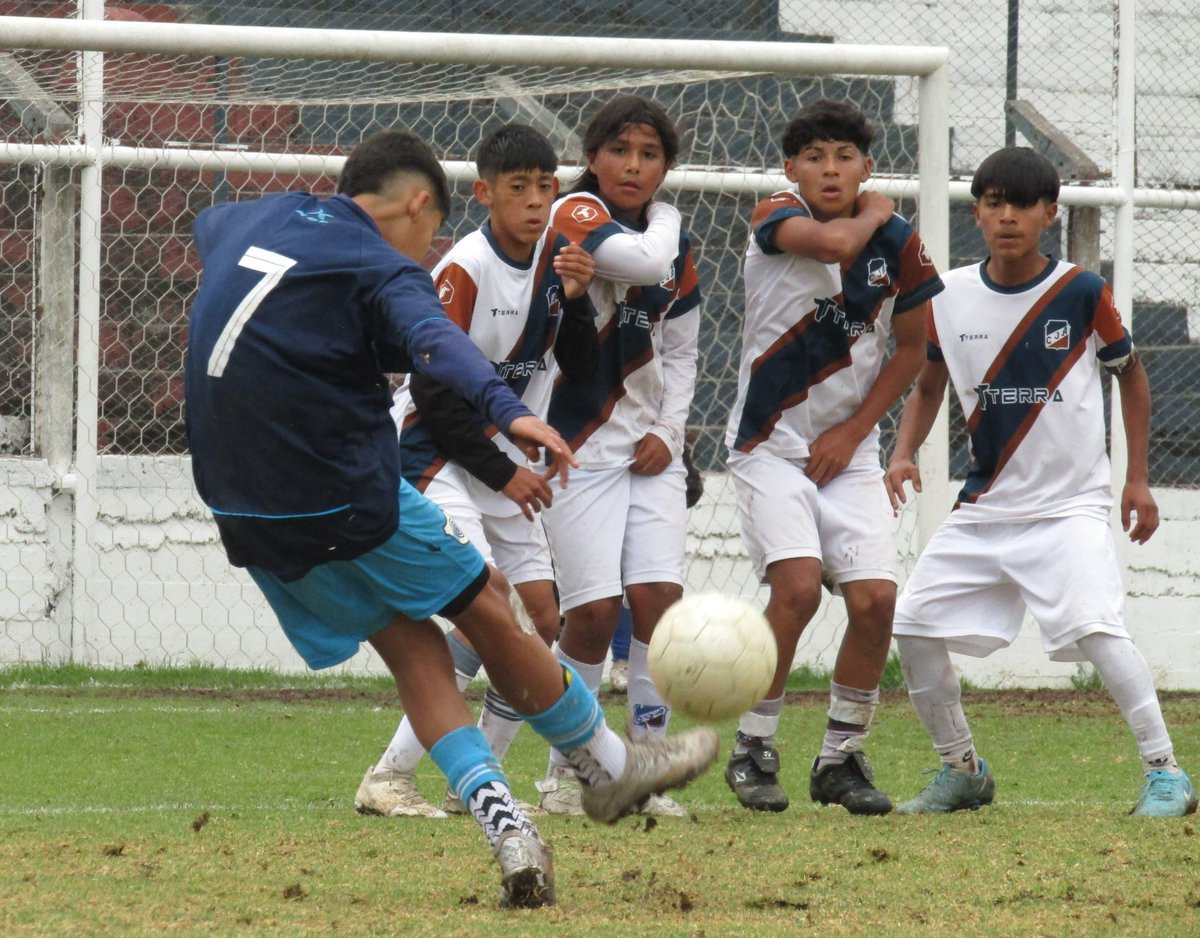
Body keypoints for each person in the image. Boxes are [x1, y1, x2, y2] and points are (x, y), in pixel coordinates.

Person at [183, 128, 719, 909]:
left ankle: (503, 818)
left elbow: (208, 230)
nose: (425, 249)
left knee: (414, 647)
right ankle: (609, 768)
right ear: (417, 204)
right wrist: (509, 413)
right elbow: (437, 342)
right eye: (426, 232)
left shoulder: (247, 221)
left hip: (240, 503)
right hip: (344, 484)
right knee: (491, 604)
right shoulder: (389, 265)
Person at [885, 146, 1197, 818]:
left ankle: (1166, 772)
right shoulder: (949, 296)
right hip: (985, 508)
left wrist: (1136, 479)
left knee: (1097, 626)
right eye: (994, 202)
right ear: (978, 211)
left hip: (1068, 510)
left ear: (1050, 214)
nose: (1007, 216)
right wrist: (904, 451)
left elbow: (1132, 377)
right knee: (910, 624)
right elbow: (930, 382)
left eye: (1023, 204)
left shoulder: (1081, 292)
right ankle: (962, 768)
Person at [355, 123, 600, 820]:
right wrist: (504, 469)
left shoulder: (561, 260)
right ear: (484, 193)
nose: (533, 201)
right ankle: (387, 776)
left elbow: (578, 370)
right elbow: (433, 392)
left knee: (542, 620)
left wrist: (579, 303)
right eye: (516, 187)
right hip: (437, 451)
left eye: (544, 186)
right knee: (485, 604)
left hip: (499, 460)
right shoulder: (463, 267)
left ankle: (479, 783)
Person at [722, 99, 943, 816]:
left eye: (844, 156)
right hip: (768, 445)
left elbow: (912, 348)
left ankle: (839, 758)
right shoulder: (774, 216)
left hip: (846, 453)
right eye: (814, 156)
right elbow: (834, 247)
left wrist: (855, 435)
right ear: (791, 169)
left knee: (878, 600)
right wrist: (875, 215)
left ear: (866, 166)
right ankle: (753, 747)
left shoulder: (901, 240)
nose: (829, 168)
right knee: (798, 589)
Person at [535, 95, 702, 818]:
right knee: (594, 614)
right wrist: (667, 215)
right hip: (573, 448)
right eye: (620, 151)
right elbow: (645, 256)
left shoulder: (677, 252)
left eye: (650, 154)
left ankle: (646, 767)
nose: (633, 166)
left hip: (647, 448)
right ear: (592, 154)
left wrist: (671, 429)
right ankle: (565, 775)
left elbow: (683, 350)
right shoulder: (574, 215)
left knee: (659, 602)